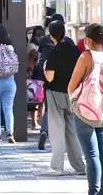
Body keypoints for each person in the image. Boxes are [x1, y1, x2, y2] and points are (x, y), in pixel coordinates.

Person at [69, 23, 103, 195]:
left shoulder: (86, 57)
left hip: (85, 112)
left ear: (88, 40)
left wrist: (73, 101)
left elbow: (71, 86)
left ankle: (93, 192)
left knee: (91, 156)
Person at [43, 20, 86, 175]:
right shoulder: (74, 49)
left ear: (51, 35)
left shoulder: (54, 52)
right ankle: (80, 166)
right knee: (71, 130)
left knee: (57, 129)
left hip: (55, 93)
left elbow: (49, 77)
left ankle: (57, 167)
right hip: (72, 94)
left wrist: (44, 68)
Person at [36, 13, 65, 150]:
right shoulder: (67, 42)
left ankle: (44, 131)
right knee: (64, 111)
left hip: (48, 78)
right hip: (64, 81)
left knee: (49, 108)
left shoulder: (43, 41)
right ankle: (59, 139)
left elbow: (39, 59)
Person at [27, 25, 45, 129]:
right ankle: (35, 121)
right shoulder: (32, 46)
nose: (40, 37)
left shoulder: (41, 45)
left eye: (42, 34)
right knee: (34, 98)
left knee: (40, 98)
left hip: (40, 73)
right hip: (34, 73)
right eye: (38, 35)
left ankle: (39, 119)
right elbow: (32, 59)